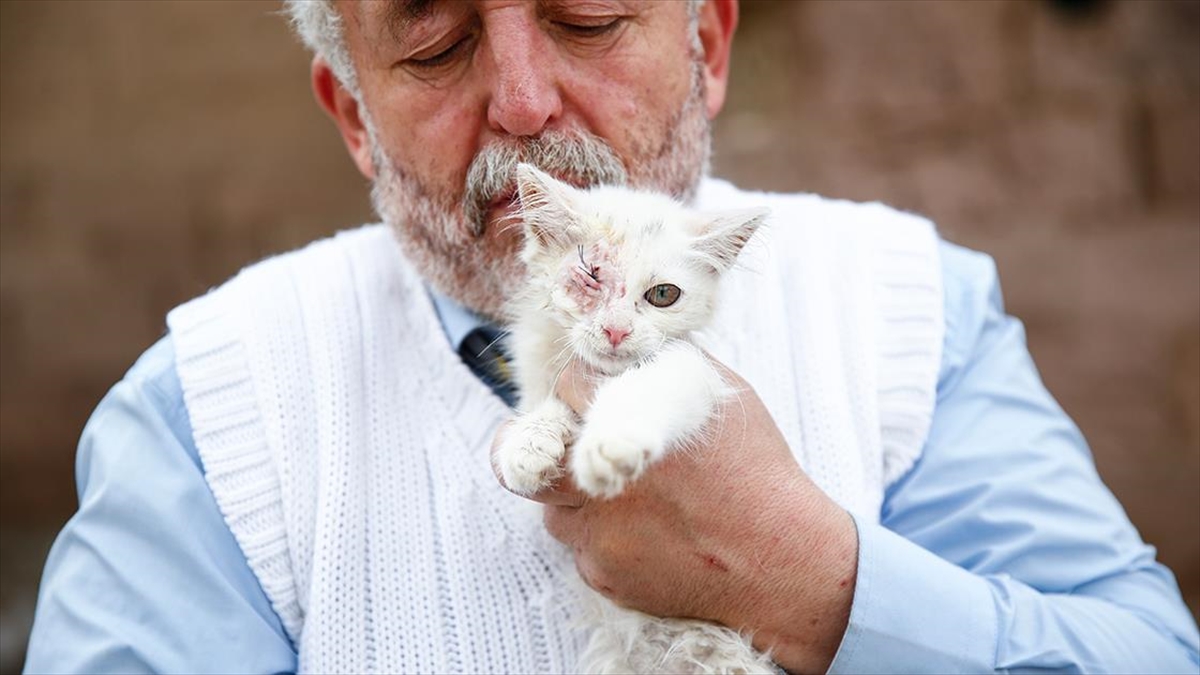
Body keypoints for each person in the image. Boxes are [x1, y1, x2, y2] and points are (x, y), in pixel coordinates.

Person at [22, 1, 1200, 673]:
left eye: (586, 18)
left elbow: (1145, 653)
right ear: (355, 121)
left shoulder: (912, 308)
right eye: (433, 46)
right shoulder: (204, 418)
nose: (523, 105)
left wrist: (815, 584)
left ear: (708, 46)